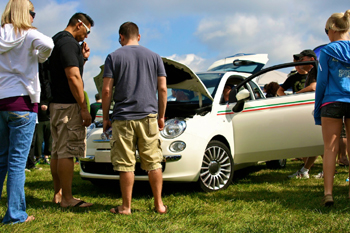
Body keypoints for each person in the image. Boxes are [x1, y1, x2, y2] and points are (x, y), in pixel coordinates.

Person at [102, 22, 167, 215]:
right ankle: (159, 205)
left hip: (123, 118)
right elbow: (162, 89)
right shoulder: (155, 57)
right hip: (148, 117)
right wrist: (161, 115)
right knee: (154, 162)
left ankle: (126, 207)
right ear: (139, 37)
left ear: (121, 37)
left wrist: (106, 117)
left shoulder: (113, 57)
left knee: (125, 163)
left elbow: (106, 90)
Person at [0, 0, 54, 224]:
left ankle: (15, 211)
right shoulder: (29, 33)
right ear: (25, 13)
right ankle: (14, 214)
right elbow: (49, 45)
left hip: (1, 101)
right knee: (16, 163)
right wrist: (39, 56)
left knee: (1, 159)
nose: (33, 17)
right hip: (23, 102)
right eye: (32, 13)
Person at [49, 12, 94, 208]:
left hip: (56, 104)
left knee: (57, 151)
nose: (87, 36)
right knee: (67, 152)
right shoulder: (68, 43)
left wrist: (82, 59)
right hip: (68, 105)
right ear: (79, 24)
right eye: (88, 30)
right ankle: (67, 198)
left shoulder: (56, 40)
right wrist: (83, 107)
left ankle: (58, 194)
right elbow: (73, 77)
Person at [314, 9, 350, 206]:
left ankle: (328, 193)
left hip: (332, 101)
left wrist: (317, 107)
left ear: (332, 29)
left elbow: (321, 83)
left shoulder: (327, 51)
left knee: (330, 148)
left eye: (326, 31)